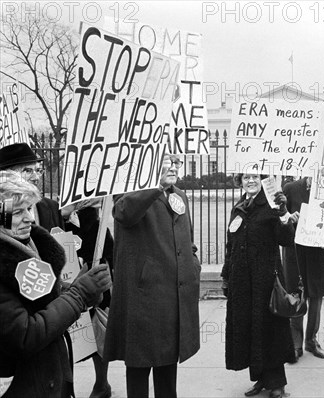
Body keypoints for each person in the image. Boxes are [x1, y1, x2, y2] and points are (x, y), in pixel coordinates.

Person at [0, 170, 111, 398]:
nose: (30, 218)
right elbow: (26, 335)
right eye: (18, 211)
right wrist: (78, 295)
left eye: (29, 209)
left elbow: (45, 303)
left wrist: (85, 291)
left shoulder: (31, 247)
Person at [104, 154, 201, 398]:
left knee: (167, 365)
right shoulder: (128, 189)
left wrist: (193, 265)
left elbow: (187, 240)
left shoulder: (179, 194)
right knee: (139, 364)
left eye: (177, 162)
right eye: (168, 161)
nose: (174, 167)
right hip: (144, 296)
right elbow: (124, 213)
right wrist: (156, 186)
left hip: (173, 294)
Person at [221, 173, 296, 398]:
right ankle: (261, 379)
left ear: (261, 179)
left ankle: (277, 384)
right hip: (242, 281)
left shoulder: (272, 204)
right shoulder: (239, 206)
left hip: (266, 282)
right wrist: (226, 276)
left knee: (270, 329)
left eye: (254, 177)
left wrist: (283, 214)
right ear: (240, 181)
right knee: (251, 329)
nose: (250, 181)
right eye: (245, 177)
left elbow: (286, 239)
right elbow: (230, 245)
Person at [64, 199, 114, 398]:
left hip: (95, 285)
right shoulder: (60, 220)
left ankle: (102, 384)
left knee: (96, 335)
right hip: (68, 283)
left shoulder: (98, 227)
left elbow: (110, 256)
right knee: (70, 338)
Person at [282, 176, 324, 361]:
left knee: (316, 297)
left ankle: (311, 340)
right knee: (295, 296)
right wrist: (289, 217)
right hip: (295, 252)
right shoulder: (291, 188)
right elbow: (279, 215)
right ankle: (295, 343)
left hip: (320, 252)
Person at [0, 143, 67, 230]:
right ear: (7, 175)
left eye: (38, 170)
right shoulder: (5, 208)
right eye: (28, 171)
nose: (36, 177)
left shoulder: (52, 207)